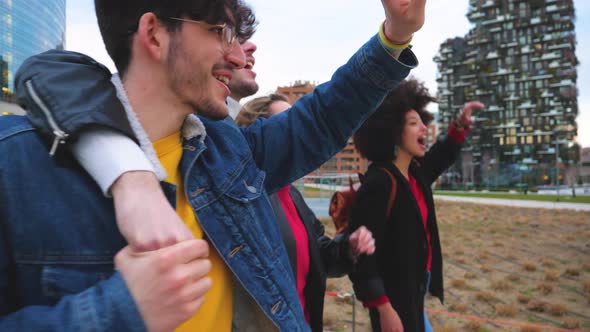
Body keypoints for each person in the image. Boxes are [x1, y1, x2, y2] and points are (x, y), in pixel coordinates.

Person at [3, 0, 425, 330]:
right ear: (154, 33)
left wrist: (396, 36)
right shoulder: (18, 168)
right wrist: (120, 312)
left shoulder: (229, 150)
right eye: (221, 32)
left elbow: (321, 118)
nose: (239, 57)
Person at [347, 78, 484, 332]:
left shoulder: (414, 174)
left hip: (416, 285)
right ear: (393, 132)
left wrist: (459, 126)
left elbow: (440, 157)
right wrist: (383, 309)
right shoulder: (380, 183)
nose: (423, 128)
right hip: (392, 297)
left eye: (422, 121)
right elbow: (361, 258)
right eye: (414, 123)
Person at [236, 94, 375, 331]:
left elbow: (319, 253)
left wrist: (347, 248)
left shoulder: (291, 194)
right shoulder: (243, 198)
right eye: (288, 123)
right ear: (261, 135)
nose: (298, 131)